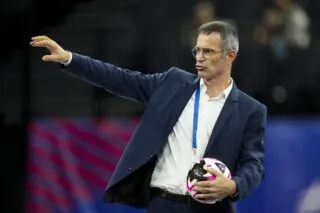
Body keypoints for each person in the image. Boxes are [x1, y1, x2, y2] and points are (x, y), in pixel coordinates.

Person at [30, 20, 267, 213]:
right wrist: (69, 58)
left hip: (211, 208)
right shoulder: (173, 83)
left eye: (208, 51)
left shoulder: (250, 110)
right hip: (162, 204)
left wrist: (234, 186)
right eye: (197, 50)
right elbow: (120, 78)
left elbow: (253, 164)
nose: (199, 57)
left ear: (230, 56)